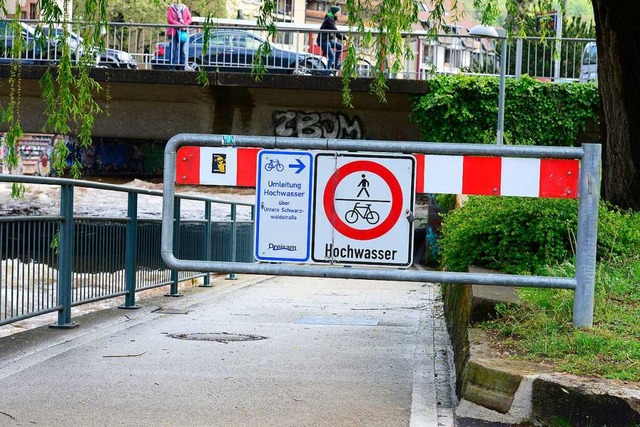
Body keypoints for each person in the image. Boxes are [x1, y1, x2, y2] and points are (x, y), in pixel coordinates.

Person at [316, 6, 345, 75]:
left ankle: (334, 65)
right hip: (323, 41)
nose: (340, 14)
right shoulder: (329, 20)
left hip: (328, 40)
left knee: (340, 47)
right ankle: (326, 73)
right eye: (339, 12)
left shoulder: (331, 19)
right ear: (334, 13)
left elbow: (334, 32)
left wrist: (343, 38)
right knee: (331, 56)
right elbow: (335, 31)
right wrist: (344, 38)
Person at [166, 0, 192, 70]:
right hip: (172, 32)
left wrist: (185, 25)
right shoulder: (170, 8)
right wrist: (180, 25)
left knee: (182, 49)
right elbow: (170, 19)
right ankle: (172, 66)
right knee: (173, 49)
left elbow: (189, 19)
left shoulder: (185, 8)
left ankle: (182, 66)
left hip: (182, 32)